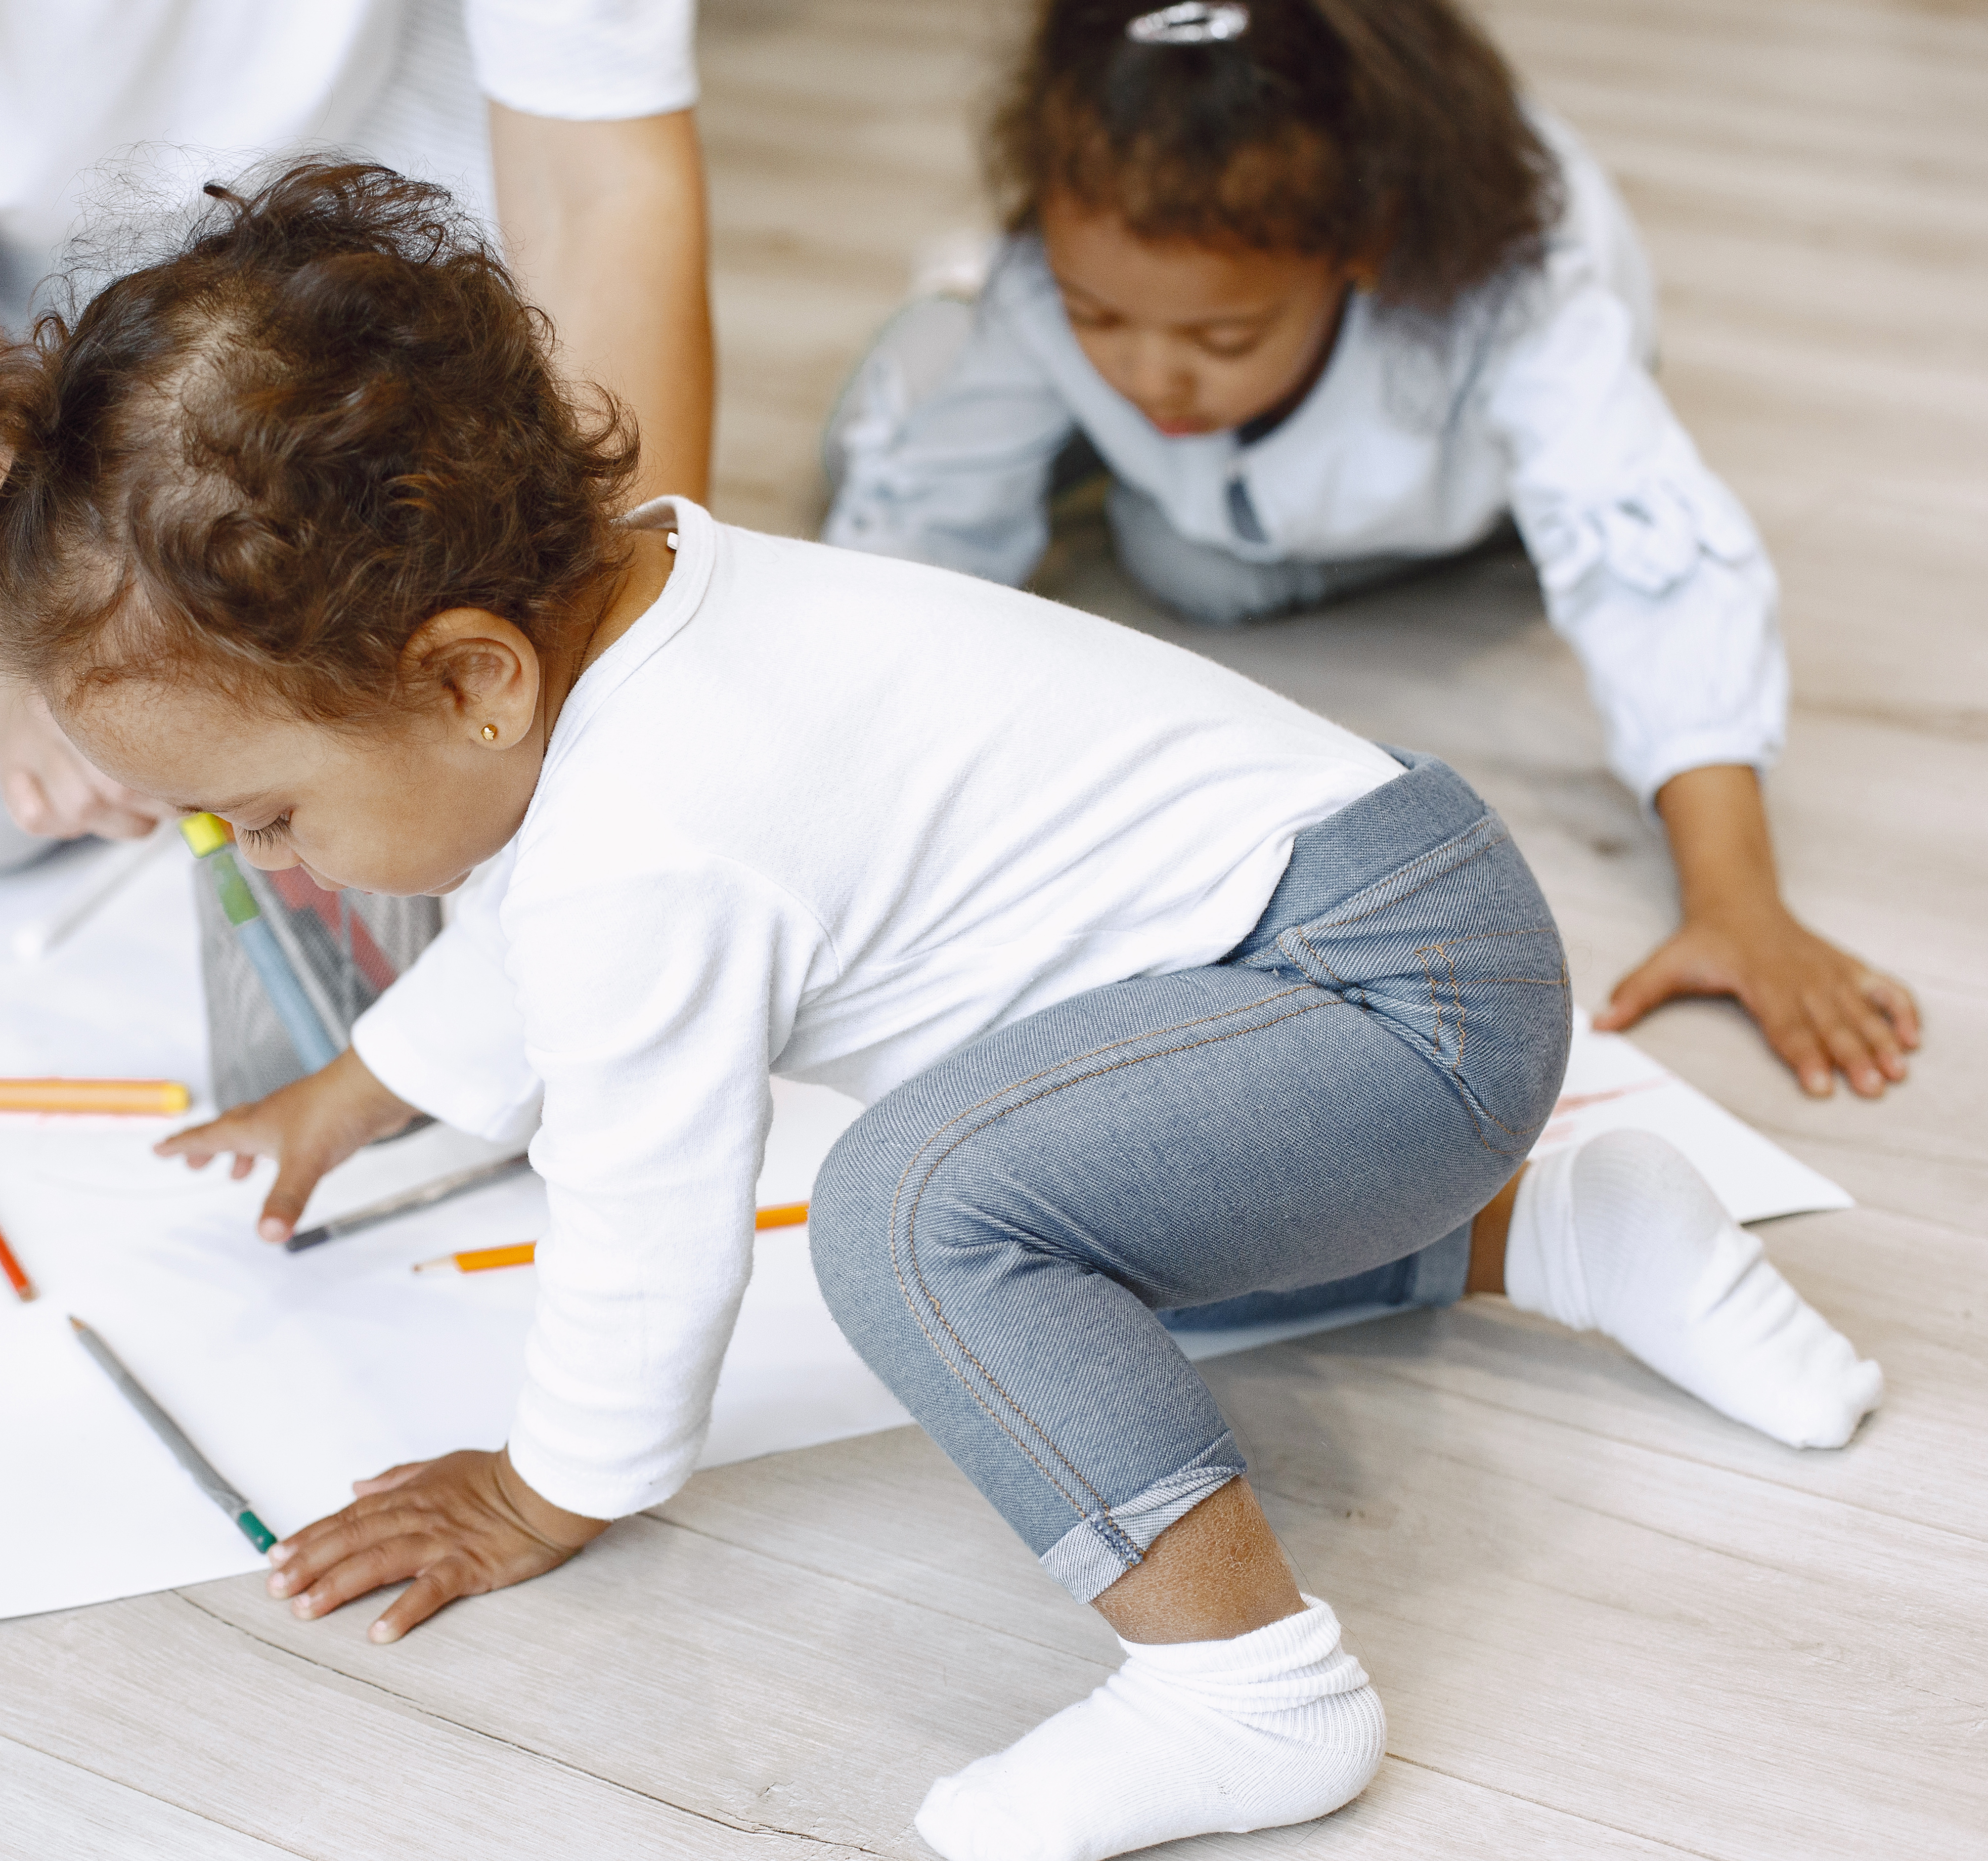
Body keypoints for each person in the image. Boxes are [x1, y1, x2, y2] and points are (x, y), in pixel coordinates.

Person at [0, 164, 1884, 1861]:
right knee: (1045, 1219)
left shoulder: (649, 833)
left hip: (1373, 997)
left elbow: (641, 1191)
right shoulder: (650, 616)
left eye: (278, 809)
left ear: (474, 676)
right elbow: (537, 943)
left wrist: (553, 1480)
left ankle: (1248, 1681)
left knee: (919, 1219)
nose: (283, 861)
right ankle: (1561, 1226)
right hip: (1394, 953)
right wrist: (360, 1088)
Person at [820, 0, 1921, 1104]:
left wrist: (1737, 897)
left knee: (1201, 562)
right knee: (1010, 488)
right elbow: (931, 526)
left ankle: (1123, 454)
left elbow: (1645, 556)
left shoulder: (1516, 284)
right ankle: (965, 340)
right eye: (1095, 316)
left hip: (1455, 468)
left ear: (1364, 244)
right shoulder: (1048, 280)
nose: (1155, 377)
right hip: (1227, 481)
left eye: (1222, 337)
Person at [0, 0, 709, 872]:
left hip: (319, 216)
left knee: (467, 701)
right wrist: (23, 608)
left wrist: (617, 677)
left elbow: (598, 191)